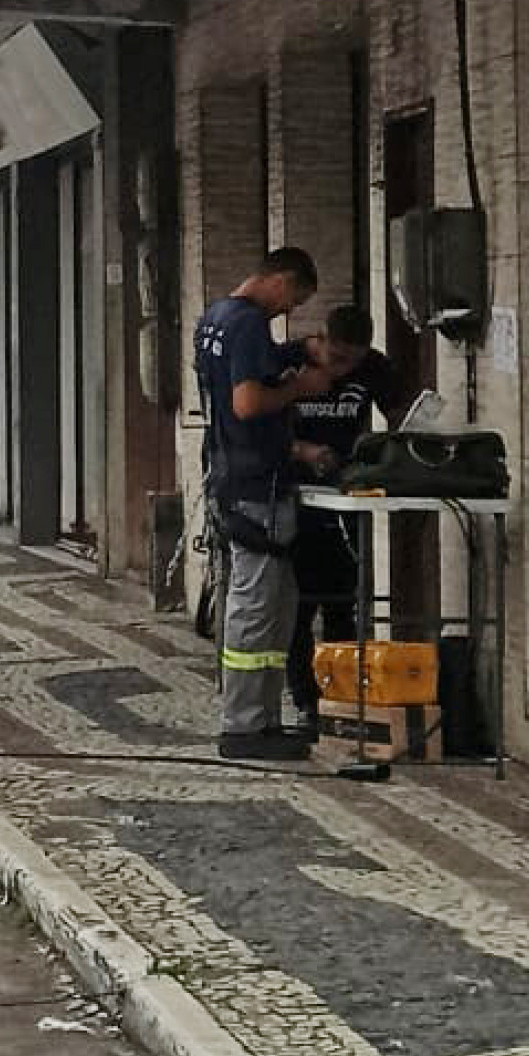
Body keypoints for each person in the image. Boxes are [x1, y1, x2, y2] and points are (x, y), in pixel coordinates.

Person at [193, 248, 344, 763]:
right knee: (257, 606)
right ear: (280, 279)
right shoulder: (249, 324)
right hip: (256, 484)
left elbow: (243, 374)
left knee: (276, 604)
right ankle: (243, 724)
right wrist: (301, 387)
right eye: (292, 301)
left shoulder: (216, 317)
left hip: (235, 477)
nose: (287, 312)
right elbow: (248, 402)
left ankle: (264, 718)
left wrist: (295, 351)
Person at [285, 302, 397, 739]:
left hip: (347, 496)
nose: (342, 368)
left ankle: (343, 699)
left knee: (344, 603)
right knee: (298, 608)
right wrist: (303, 451)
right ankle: (304, 700)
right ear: (322, 340)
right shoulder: (292, 361)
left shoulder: (374, 369)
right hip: (295, 498)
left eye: (352, 361)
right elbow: (259, 425)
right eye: (336, 358)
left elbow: (401, 410)